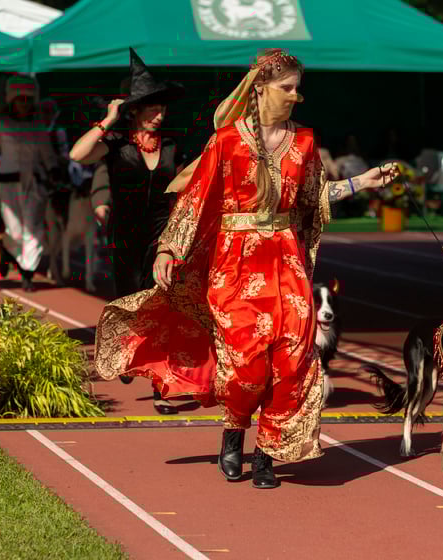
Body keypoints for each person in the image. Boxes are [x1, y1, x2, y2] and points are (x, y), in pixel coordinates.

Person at [93, 47, 399, 489]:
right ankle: (234, 430)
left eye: (298, 88)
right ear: (260, 88)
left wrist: (361, 182)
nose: (296, 96)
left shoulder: (305, 142)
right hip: (236, 265)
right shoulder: (227, 141)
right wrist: (167, 250)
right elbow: (195, 199)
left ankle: (266, 454)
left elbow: (313, 197)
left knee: (291, 359)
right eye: (287, 88)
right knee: (247, 363)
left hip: (287, 262)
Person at [70, 48, 187, 415]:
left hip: (161, 238)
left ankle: (160, 387)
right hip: (124, 237)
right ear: (134, 110)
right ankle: (125, 351)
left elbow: (187, 185)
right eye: (152, 108)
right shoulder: (116, 145)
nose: (159, 114)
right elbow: (77, 155)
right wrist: (108, 119)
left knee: (160, 309)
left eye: (162, 108)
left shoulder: (172, 146)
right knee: (127, 304)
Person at [0, 75, 60, 292]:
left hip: (34, 185)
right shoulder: (2, 124)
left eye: (28, 99)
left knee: (33, 229)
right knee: (14, 232)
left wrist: (54, 171)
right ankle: (9, 250)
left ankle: (27, 274)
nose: (24, 103)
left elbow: (48, 155)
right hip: (7, 185)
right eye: (20, 99)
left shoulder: (38, 126)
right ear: (12, 100)